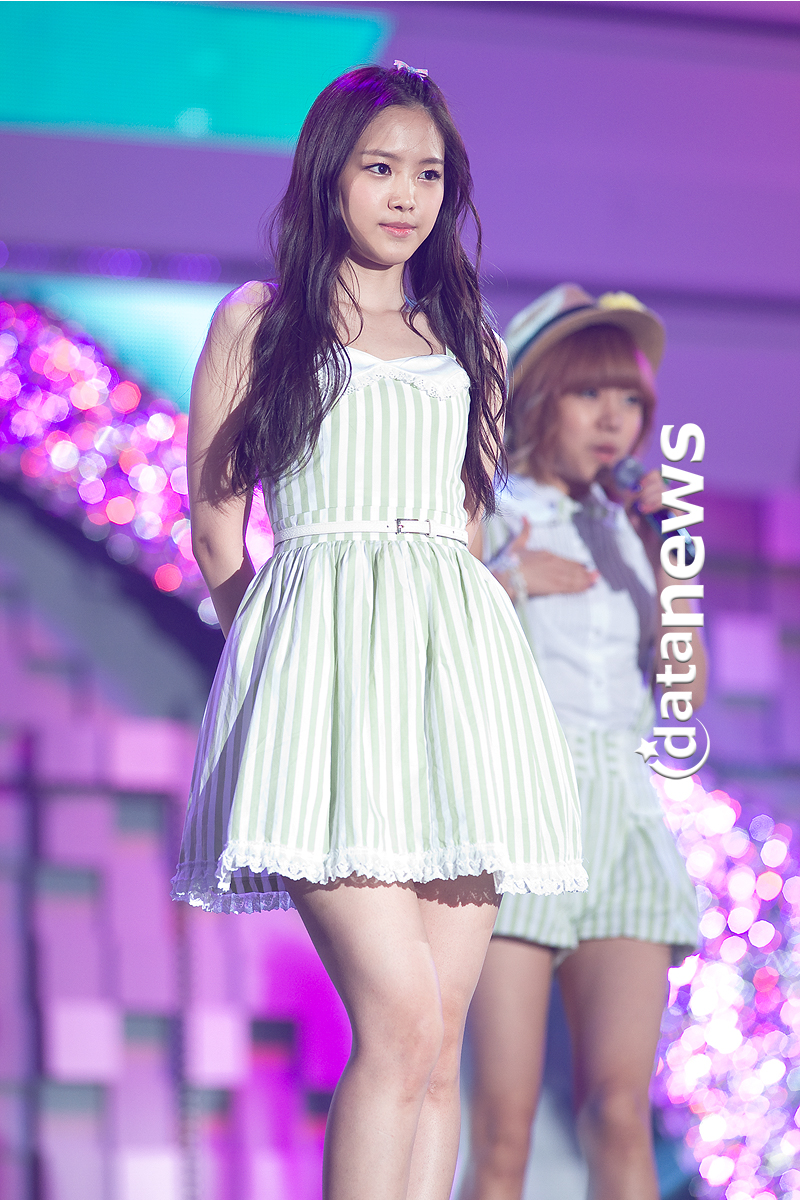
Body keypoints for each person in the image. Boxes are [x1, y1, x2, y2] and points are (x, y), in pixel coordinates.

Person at [170, 67, 586, 1200]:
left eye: (429, 175)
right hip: (325, 696)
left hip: (456, 694)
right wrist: (281, 672)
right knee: (398, 1019)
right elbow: (216, 529)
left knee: (439, 1035)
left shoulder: (471, 340)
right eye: (381, 168)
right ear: (330, 175)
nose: (406, 195)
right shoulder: (260, 321)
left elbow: (464, 530)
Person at [460, 284, 705, 1200]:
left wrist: (669, 555)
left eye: (630, 399)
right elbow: (435, 653)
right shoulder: (490, 516)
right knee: (504, 1123)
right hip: (521, 808)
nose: (614, 419)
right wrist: (508, 578)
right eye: (589, 393)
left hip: (622, 813)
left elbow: (683, 691)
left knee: (619, 1111)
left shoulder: (630, 532)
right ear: (536, 396)